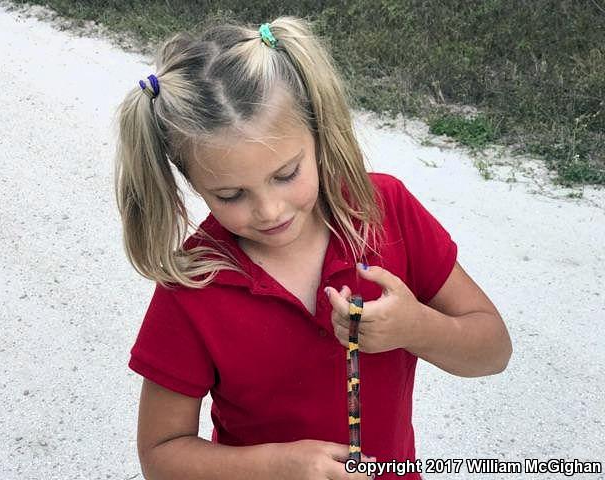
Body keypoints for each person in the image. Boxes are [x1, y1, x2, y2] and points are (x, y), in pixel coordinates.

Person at [114, 16, 512, 480]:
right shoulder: (194, 284)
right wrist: (279, 465)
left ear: (319, 133)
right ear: (191, 181)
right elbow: (161, 456)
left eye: (286, 174)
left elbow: (493, 350)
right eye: (230, 195)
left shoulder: (384, 211)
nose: (268, 210)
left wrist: (416, 327)